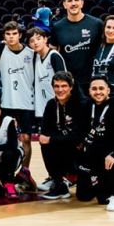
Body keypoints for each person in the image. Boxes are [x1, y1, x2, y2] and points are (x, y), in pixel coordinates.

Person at [74, 77, 114, 211]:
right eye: (94, 89)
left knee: (104, 199)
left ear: (108, 90)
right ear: (89, 91)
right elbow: (80, 131)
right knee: (83, 196)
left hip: (111, 155)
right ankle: (104, 187)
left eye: (101, 88)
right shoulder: (86, 106)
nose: (98, 92)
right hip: (93, 155)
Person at [0, 21, 36, 185]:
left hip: (27, 102)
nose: (11, 37)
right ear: (4, 36)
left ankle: (24, 172)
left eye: (14, 34)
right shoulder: (0, 49)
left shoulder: (31, 53)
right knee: (6, 140)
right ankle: (5, 173)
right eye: (8, 34)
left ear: (20, 35)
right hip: (7, 103)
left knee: (26, 138)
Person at [38, 71, 83, 200]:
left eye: (64, 86)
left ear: (71, 87)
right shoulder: (51, 105)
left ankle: (74, 176)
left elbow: (78, 137)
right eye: (56, 86)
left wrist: (53, 139)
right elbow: (45, 132)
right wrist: (52, 139)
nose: (60, 90)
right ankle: (59, 183)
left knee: (85, 195)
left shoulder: (81, 104)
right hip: (64, 145)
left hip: (81, 150)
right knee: (45, 142)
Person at [51, 0, 102, 97]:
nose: (73, 3)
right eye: (70, 1)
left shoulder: (96, 24)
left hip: (93, 81)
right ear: (64, 5)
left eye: (76, 0)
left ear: (82, 3)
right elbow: (53, 54)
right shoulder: (57, 27)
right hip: (68, 82)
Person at [28, 26, 67, 127]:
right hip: (41, 105)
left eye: (38, 39)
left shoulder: (54, 56)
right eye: (32, 41)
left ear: (45, 39)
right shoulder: (35, 57)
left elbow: (64, 82)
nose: (35, 43)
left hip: (56, 105)